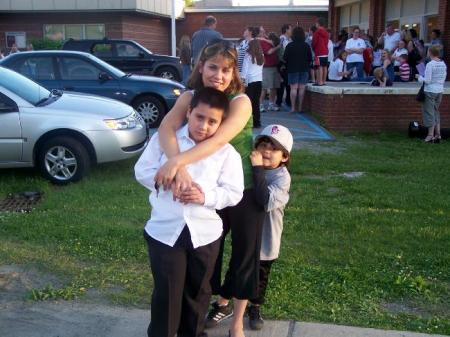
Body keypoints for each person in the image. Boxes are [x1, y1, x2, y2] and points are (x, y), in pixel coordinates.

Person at [154, 39, 266, 337]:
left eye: (226, 70)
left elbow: (218, 141)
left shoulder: (240, 101)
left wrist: (175, 163)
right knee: (205, 257)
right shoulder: (189, 96)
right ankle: (200, 314)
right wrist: (178, 170)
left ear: (234, 74)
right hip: (198, 191)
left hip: (240, 188)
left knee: (243, 256)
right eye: (213, 67)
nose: (219, 75)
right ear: (201, 66)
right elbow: (165, 129)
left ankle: (238, 323)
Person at [135, 87, 245, 337]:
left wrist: (204, 196)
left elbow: (234, 192)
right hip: (165, 231)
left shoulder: (227, 153)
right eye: (199, 117)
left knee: (198, 292)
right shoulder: (166, 141)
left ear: (221, 123)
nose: (204, 126)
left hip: (204, 234)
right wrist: (170, 179)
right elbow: (142, 170)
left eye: (212, 121)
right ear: (189, 112)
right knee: (167, 293)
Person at [246, 124, 292, 331]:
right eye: (263, 144)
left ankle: (255, 307)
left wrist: (256, 169)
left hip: (267, 237)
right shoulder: (250, 168)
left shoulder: (282, 178)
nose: (266, 151)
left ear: (284, 157)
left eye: (273, 148)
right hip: (248, 232)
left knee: (260, 276)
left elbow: (264, 200)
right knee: (239, 270)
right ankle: (225, 303)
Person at [418, 45, 447, 143]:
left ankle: (430, 135)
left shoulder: (430, 64)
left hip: (430, 90)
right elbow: (443, 78)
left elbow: (428, 80)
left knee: (429, 113)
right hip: (439, 90)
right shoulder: (443, 64)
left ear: (430, 52)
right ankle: (438, 134)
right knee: (435, 111)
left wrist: (419, 78)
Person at [283, 26, 312, 113]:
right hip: (304, 69)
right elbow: (310, 58)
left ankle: (293, 108)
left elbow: (285, 58)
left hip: (292, 69)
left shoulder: (289, 45)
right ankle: (300, 107)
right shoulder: (306, 45)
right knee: (302, 89)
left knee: (293, 88)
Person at [240, 39, 264, 128]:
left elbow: (244, 70)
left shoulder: (248, 55)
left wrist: (242, 81)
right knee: (256, 103)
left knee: (248, 103)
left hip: (250, 81)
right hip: (259, 81)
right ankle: (257, 122)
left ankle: (248, 122)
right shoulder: (261, 55)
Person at [259, 30, 281, 112]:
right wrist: (277, 47)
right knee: (264, 87)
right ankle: (260, 105)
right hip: (266, 68)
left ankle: (271, 104)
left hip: (274, 67)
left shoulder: (270, 42)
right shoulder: (264, 43)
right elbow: (269, 52)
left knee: (274, 87)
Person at [276, 24, 293, 109]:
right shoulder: (282, 39)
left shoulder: (289, 39)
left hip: (288, 63)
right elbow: (280, 52)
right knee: (282, 83)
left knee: (287, 83)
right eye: (290, 29)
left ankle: (287, 100)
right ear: (286, 30)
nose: (291, 31)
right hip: (283, 64)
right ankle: (279, 101)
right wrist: (282, 63)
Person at [312, 17, 328, 86]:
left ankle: (319, 82)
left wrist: (313, 48)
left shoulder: (316, 32)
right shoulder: (326, 32)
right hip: (325, 51)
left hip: (319, 51)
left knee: (319, 66)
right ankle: (324, 81)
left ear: (318, 24)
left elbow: (314, 42)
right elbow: (327, 42)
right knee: (325, 66)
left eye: (316, 23)